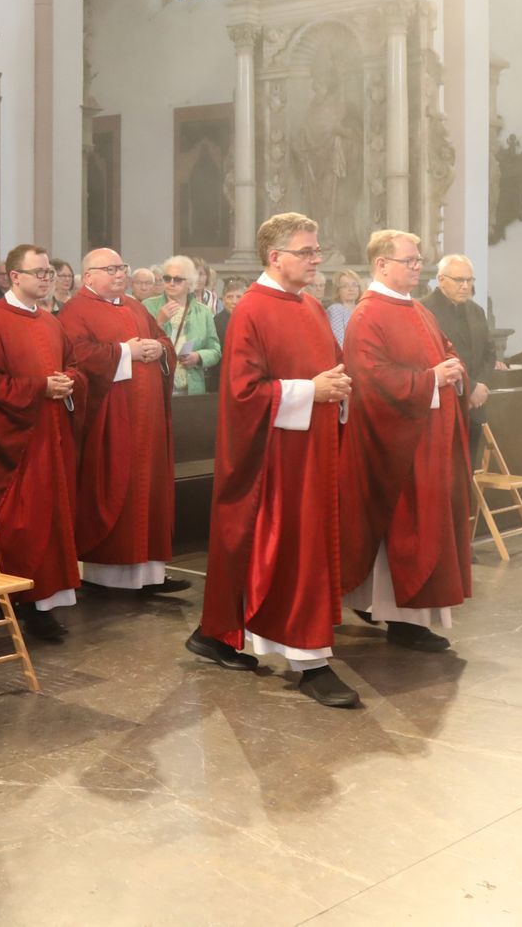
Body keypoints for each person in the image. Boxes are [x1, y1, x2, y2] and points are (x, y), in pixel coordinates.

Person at [186, 212, 359, 707]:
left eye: (316, 249)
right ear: (275, 256)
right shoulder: (253, 310)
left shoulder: (308, 305)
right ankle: (310, 662)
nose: (316, 258)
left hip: (311, 448)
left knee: (287, 552)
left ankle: (216, 635)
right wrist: (312, 390)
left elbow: (328, 365)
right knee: (288, 552)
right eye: (306, 251)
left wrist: (338, 387)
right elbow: (242, 393)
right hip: (275, 460)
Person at [339, 229, 474, 652]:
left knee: (426, 529)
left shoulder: (417, 309)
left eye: (419, 261)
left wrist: (453, 366)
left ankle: (405, 616)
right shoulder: (368, 315)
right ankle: (400, 618)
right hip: (397, 448)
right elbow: (371, 380)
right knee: (400, 533)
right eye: (410, 261)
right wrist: (432, 379)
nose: (419, 267)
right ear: (381, 265)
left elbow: (444, 349)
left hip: (428, 441)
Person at [0, 243, 81, 641]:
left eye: (49, 272)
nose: (47, 278)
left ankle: (44, 602)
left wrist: (68, 382)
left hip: (51, 437)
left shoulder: (51, 321)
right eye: (39, 273)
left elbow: (71, 365)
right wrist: (39, 388)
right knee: (23, 525)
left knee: (50, 520)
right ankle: (19, 599)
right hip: (17, 445)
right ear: (15, 277)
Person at [61, 249, 182, 594]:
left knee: (150, 491)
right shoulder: (76, 310)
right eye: (110, 269)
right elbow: (77, 355)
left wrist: (161, 350)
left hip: (149, 420)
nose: (119, 274)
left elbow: (161, 339)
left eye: (121, 267)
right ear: (88, 276)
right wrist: (125, 351)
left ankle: (150, 573)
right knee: (117, 488)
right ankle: (108, 575)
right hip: (111, 422)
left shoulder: (134, 305)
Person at [422, 254, 498, 433]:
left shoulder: (476, 311)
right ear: (441, 280)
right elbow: (430, 358)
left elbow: (489, 352)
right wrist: (469, 388)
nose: (465, 286)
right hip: (444, 403)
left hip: (476, 405)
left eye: (469, 280)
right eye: (459, 280)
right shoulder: (424, 310)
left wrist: (479, 387)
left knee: (471, 460)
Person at [146, 255, 221, 395]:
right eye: (167, 278)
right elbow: (141, 345)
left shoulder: (203, 311)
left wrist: (198, 357)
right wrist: (159, 322)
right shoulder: (149, 306)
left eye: (178, 279)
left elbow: (215, 350)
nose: (171, 283)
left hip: (192, 388)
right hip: (158, 385)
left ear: (190, 283)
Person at [325, 270, 362, 346]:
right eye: (345, 286)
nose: (351, 289)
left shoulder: (363, 309)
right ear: (338, 290)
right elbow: (339, 342)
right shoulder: (335, 310)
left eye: (354, 285)